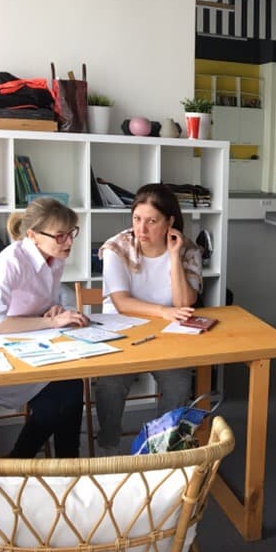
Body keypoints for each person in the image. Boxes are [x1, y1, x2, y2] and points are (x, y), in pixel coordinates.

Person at [0, 198, 89, 457]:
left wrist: (54, 309)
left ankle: (62, 465)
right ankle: (37, 462)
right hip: (2, 350)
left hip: (36, 345)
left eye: (71, 233)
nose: (69, 242)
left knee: (71, 388)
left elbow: (40, 302)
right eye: (60, 236)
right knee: (62, 399)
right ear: (32, 235)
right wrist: (51, 321)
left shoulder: (54, 258)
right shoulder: (9, 263)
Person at [95, 183, 202, 451]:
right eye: (136, 219)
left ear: (170, 222)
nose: (141, 229)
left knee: (179, 384)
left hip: (167, 335)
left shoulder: (187, 249)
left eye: (151, 221)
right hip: (122, 332)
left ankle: (160, 447)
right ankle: (108, 445)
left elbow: (184, 302)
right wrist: (164, 311)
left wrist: (174, 257)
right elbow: (121, 302)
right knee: (109, 384)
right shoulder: (117, 247)